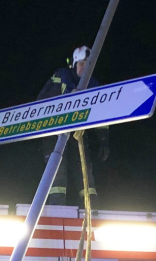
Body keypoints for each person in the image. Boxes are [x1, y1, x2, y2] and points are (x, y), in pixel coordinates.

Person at [37, 46, 109, 206]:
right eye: (81, 64)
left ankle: (90, 205)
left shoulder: (93, 84)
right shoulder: (62, 75)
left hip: (77, 132)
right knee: (57, 169)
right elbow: (43, 101)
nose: (84, 68)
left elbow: (102, 114)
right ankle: (57, 204)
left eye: (88, 65)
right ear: (74, 64)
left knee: (83, 169)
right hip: (54, 130)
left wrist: (103, 140)